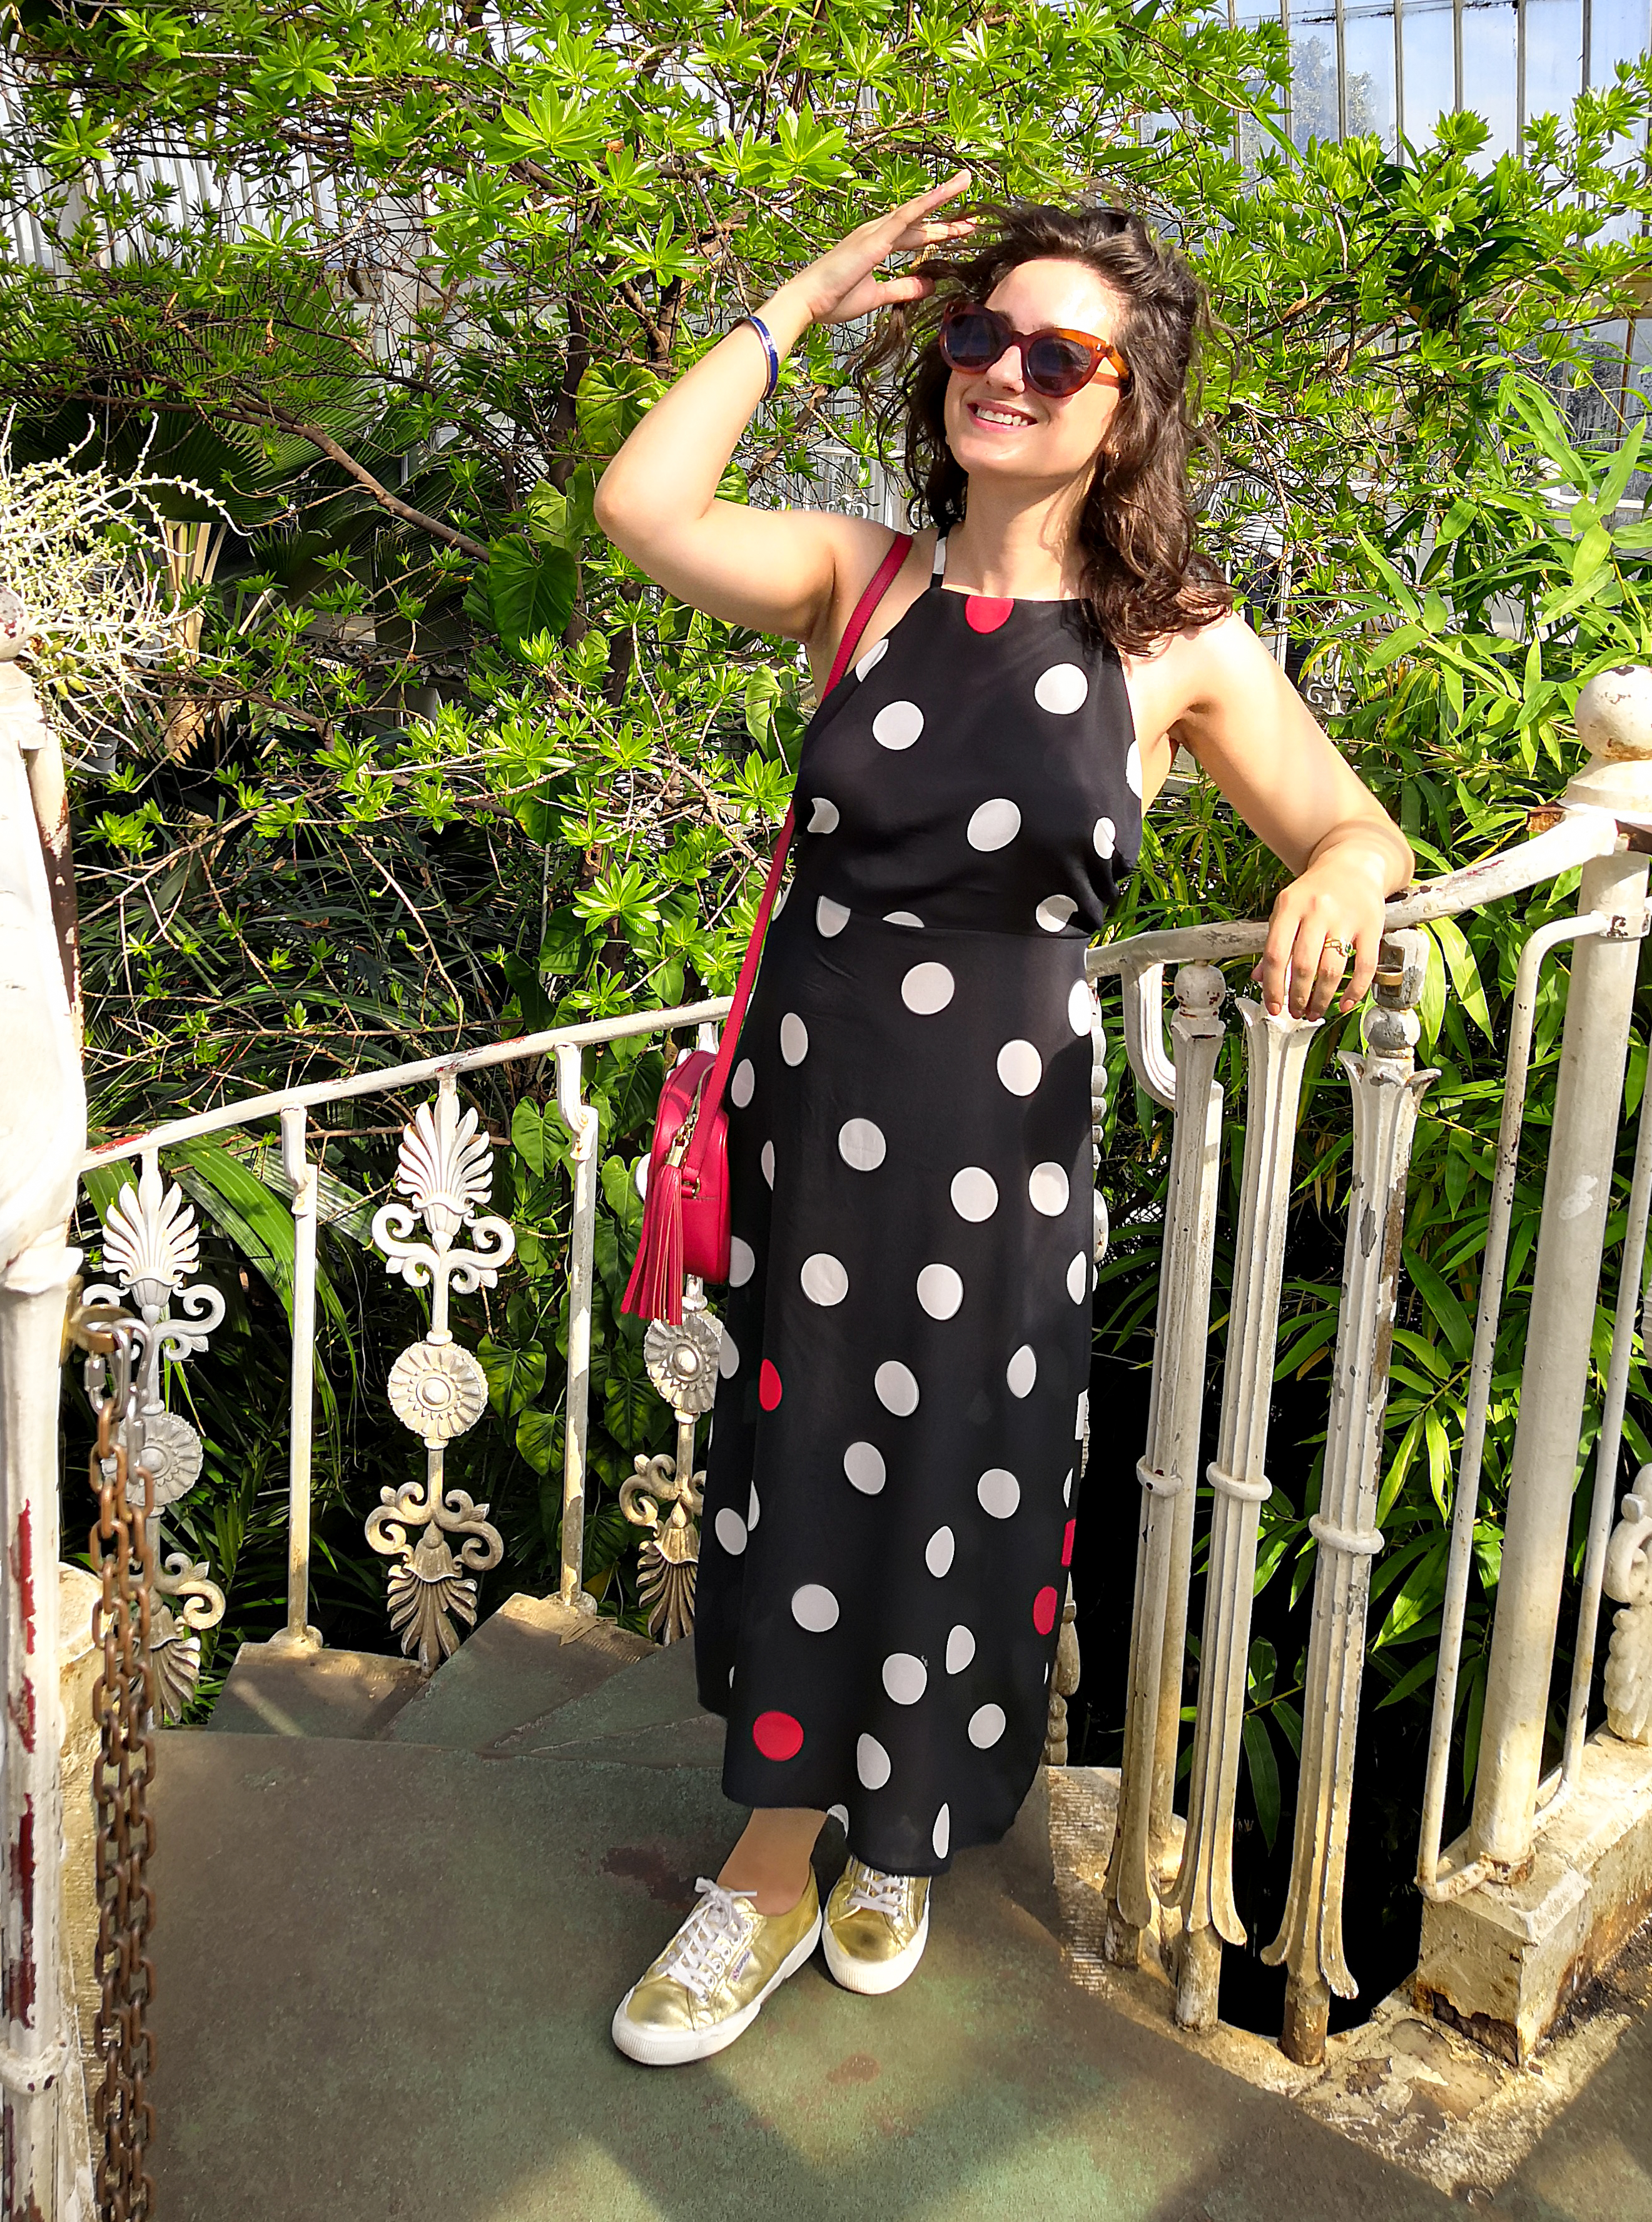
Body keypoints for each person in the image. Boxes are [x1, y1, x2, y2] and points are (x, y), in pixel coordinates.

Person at [592, 180, 1412, 2066]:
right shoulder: (856, 578)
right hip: (821, 1131)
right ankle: (774, 1867)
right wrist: (800, 296)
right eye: (981, 339)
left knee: (966, 1475)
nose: (1010, 378)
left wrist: (1345, 879)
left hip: (1005, 1155)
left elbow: (1349, 823)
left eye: (1062, 356)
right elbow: (642, 509)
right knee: (807, 1482)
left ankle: (907, 1835)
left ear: (1127, 405)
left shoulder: (1176, 642)